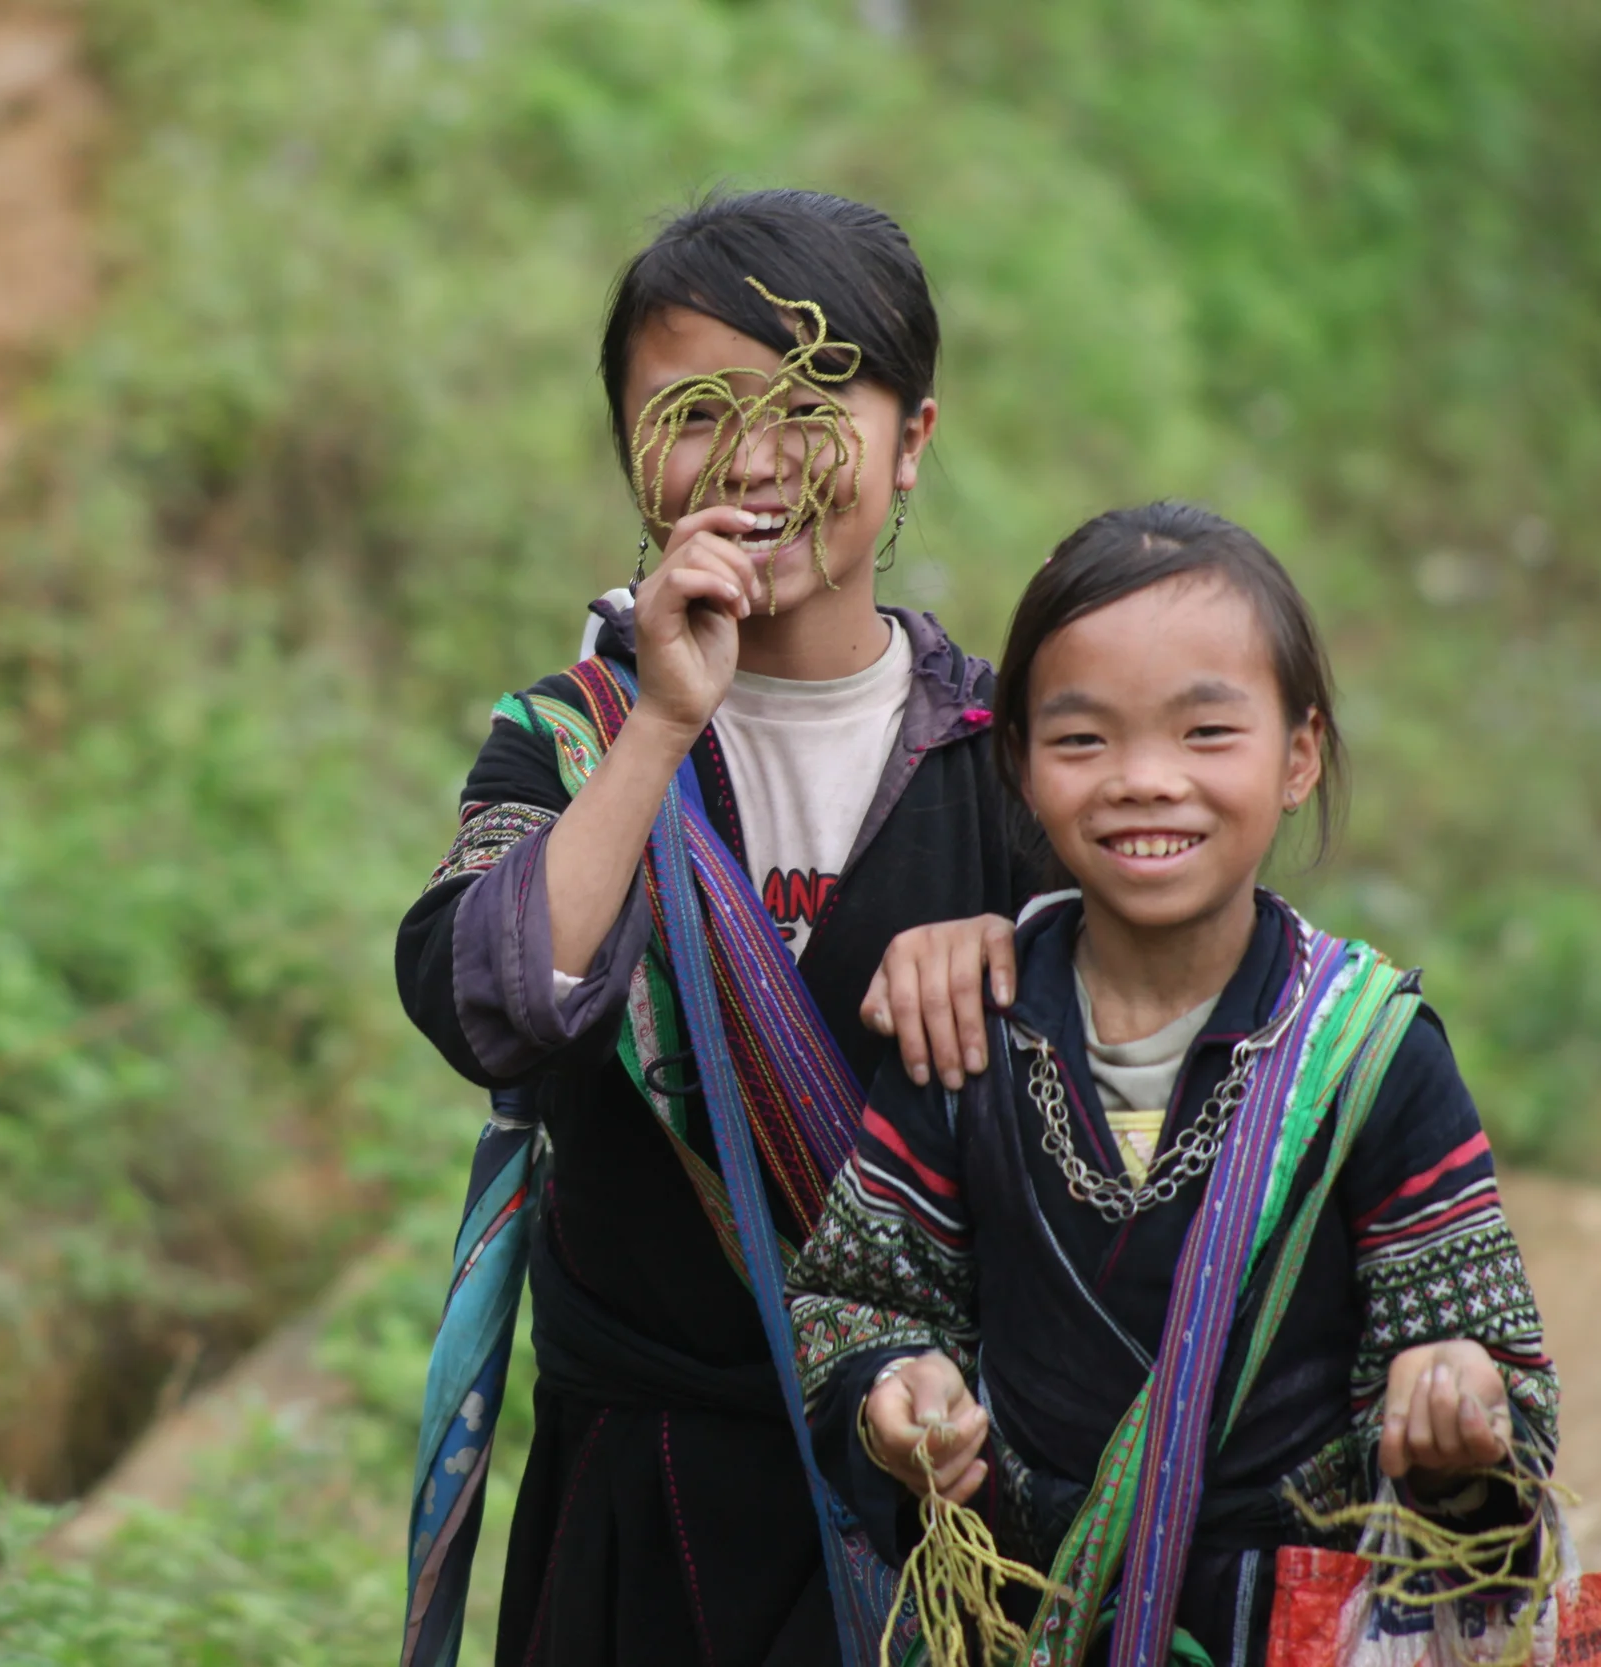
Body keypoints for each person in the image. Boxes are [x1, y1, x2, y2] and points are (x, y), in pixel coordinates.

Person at [395, 189, 1035, 1667]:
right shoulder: (570, 741)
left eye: (811, 408)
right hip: (639, 1509)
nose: (751, 459)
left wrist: (1024, 958)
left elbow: (1162, 1044)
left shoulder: (1015, 761)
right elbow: (491, 1001)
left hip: (942, 1490)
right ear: (629, 445)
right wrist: (664, 721)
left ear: (913, 440)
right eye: (693, 412)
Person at [787, 502, 1559, 1666]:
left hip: (1296, 1629)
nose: (1146, 780)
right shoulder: (969, 1036)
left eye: (1205, 733)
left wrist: (1454, 1400)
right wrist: (896, 1390)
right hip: (1030, 1620)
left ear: (1297, 754)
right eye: (1083, 739)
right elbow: (856, 1303)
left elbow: (1502, 1386)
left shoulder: (1370, 1053)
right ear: (1019, 765)